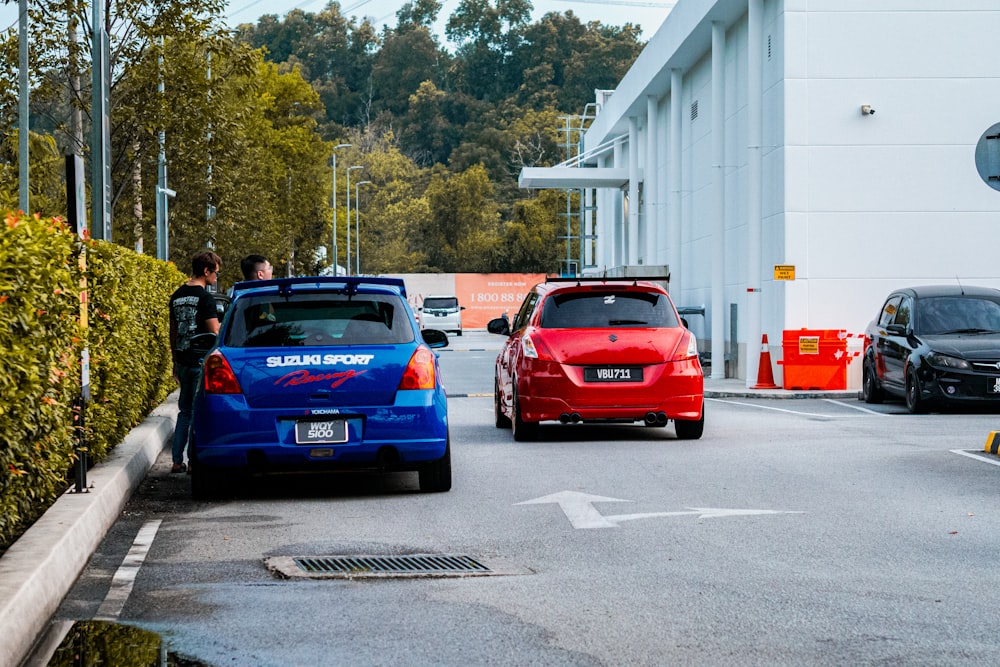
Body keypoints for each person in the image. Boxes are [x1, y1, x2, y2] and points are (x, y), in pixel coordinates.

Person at [169, 250, 222, 473]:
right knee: (197, 411)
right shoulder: (205, 298)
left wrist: (174, 360)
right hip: (200, 361)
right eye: (215, 273)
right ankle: (192, 461)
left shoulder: (177, 295)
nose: (216, 277)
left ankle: (176, 460)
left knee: (184, 411)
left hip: (181, 358)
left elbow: (172, 331)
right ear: (206, 271)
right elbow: (214, 331)